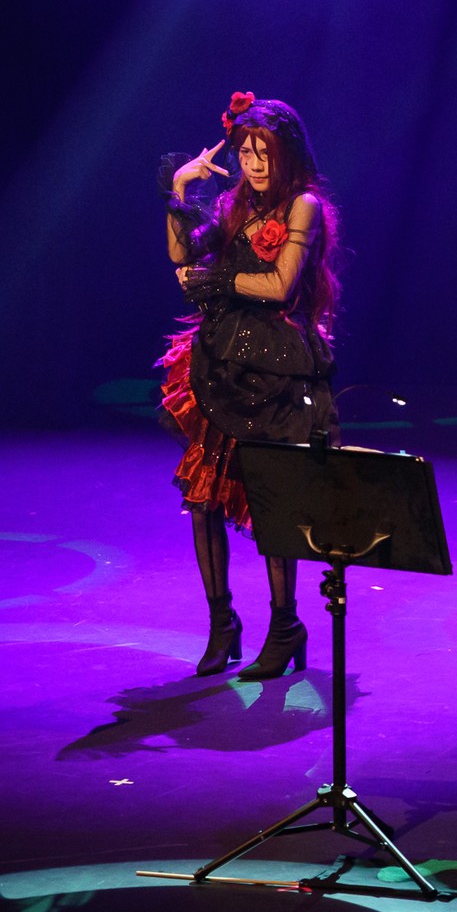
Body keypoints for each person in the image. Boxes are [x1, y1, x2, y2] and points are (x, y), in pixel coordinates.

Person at [157, 92, 342, 680]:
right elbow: (182, 254)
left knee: (271, 505)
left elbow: (281, 285)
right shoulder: (235, 203)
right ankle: (222, 624)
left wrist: (217, 279)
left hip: (276, 369)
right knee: (202, 501)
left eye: (265, 153)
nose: (254, 164)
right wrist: (180, 192)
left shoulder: (303, 205)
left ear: (287, 153)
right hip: (223, 362)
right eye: (245, 153)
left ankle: (285, 627)